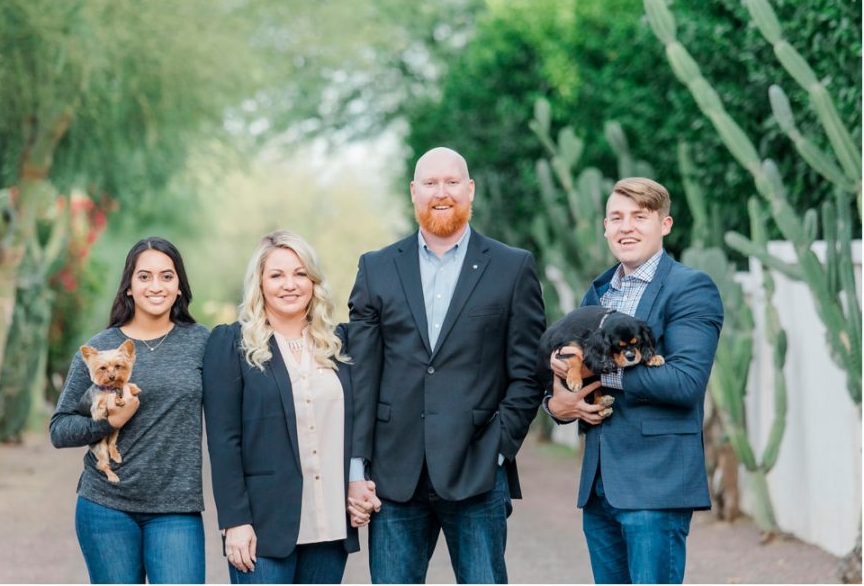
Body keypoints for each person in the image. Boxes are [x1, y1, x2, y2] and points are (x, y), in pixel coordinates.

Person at [347, 147, 546, 583]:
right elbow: (363, 374)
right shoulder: (377, 268)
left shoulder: (512, 268)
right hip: (395, 474)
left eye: (452, 182)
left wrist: (498, 445)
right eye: (431, 184)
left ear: (470, 190)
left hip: (477, 469)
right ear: (414, 192)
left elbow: (528, 371)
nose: (442, 193)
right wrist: (357, 466)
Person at [544, 177, 724, 584]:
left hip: (656, 485)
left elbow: (684, 382)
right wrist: (557, 405)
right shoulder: (599, 293)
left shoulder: (690, 288)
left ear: (665, 224)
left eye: (639, 217)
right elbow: (567, 364)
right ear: (605, 228)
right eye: (616, 218)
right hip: (599, 486)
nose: (626, 227)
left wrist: (601, 370)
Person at [202, 230, 372, 584]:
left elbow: (358, 422)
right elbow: (224, 442)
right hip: (263, 529)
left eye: (300, 273)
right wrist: (234, 522)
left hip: (329, 525)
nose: (289, 284)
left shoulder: (340, 345)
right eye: (276, 275)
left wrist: (359, 478)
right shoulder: (231, 345)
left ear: (313, 281)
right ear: (259, 284)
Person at [50, 237, 210, 584]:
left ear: (180, 287)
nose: (156, 286)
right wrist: (106, 423)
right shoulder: (98, 349)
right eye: (144, 276)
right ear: (129, 288)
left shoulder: (202, 343)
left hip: (176, 509)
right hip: (105, 507)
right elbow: (59, 429)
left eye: (167, 277)